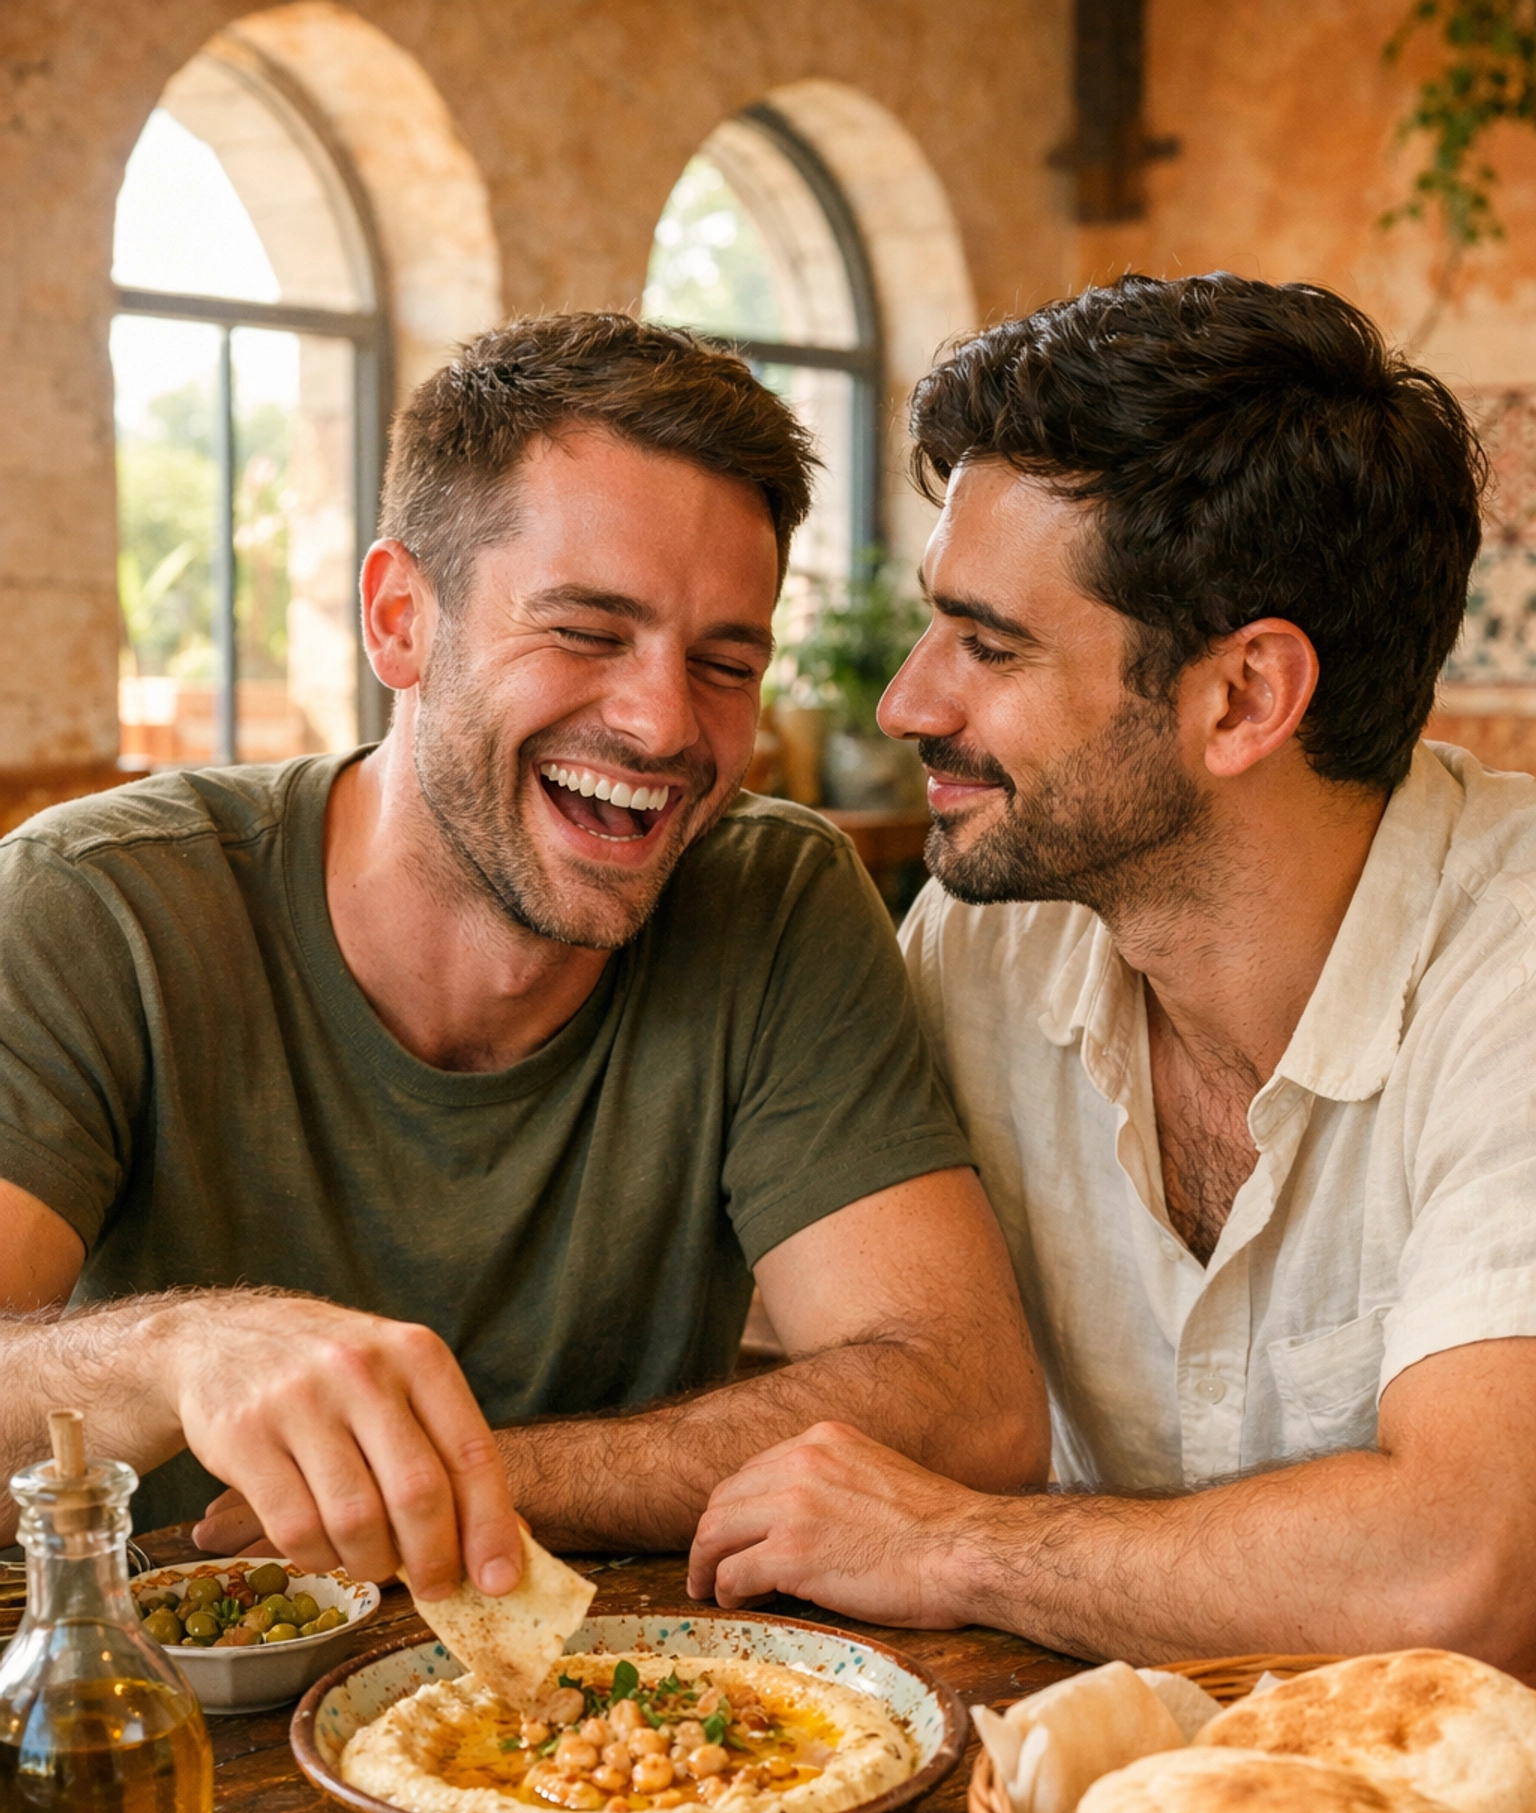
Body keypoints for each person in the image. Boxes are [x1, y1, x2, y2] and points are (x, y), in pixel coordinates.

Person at [0, 312, 1041, 1601]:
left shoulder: (773, 897)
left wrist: (449, 1479)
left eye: (725, 661)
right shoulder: (97, 905)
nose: (665, 722)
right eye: (587, 633)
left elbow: (970, 1402)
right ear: (399, 621)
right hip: (157, 1730)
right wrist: (172, 1351)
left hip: (615, 1735)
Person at [689, 271, 1536, 1676]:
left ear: (1244, 698)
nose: (908, 701)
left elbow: (1465, 1572)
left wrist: (954, 1542)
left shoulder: (1510, 956)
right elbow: (814, 1346)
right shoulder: (988, 933)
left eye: (989, 644)